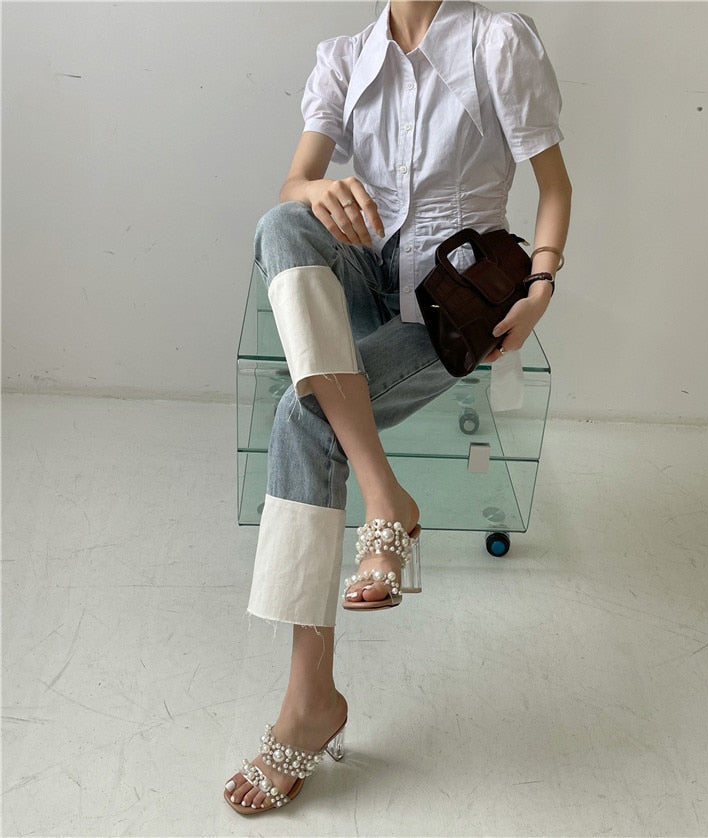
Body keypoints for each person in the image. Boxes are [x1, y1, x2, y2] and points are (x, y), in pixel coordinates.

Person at [224, 0, 571, 814]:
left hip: (452, 304)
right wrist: (323, 190)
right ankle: (386, 496)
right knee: (282, 220)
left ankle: (310, 701)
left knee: (303, 418)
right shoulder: (346, 58)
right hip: (365, 273)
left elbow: (554, 184)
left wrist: (542, 285)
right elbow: (294, 182)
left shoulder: (496, 43)